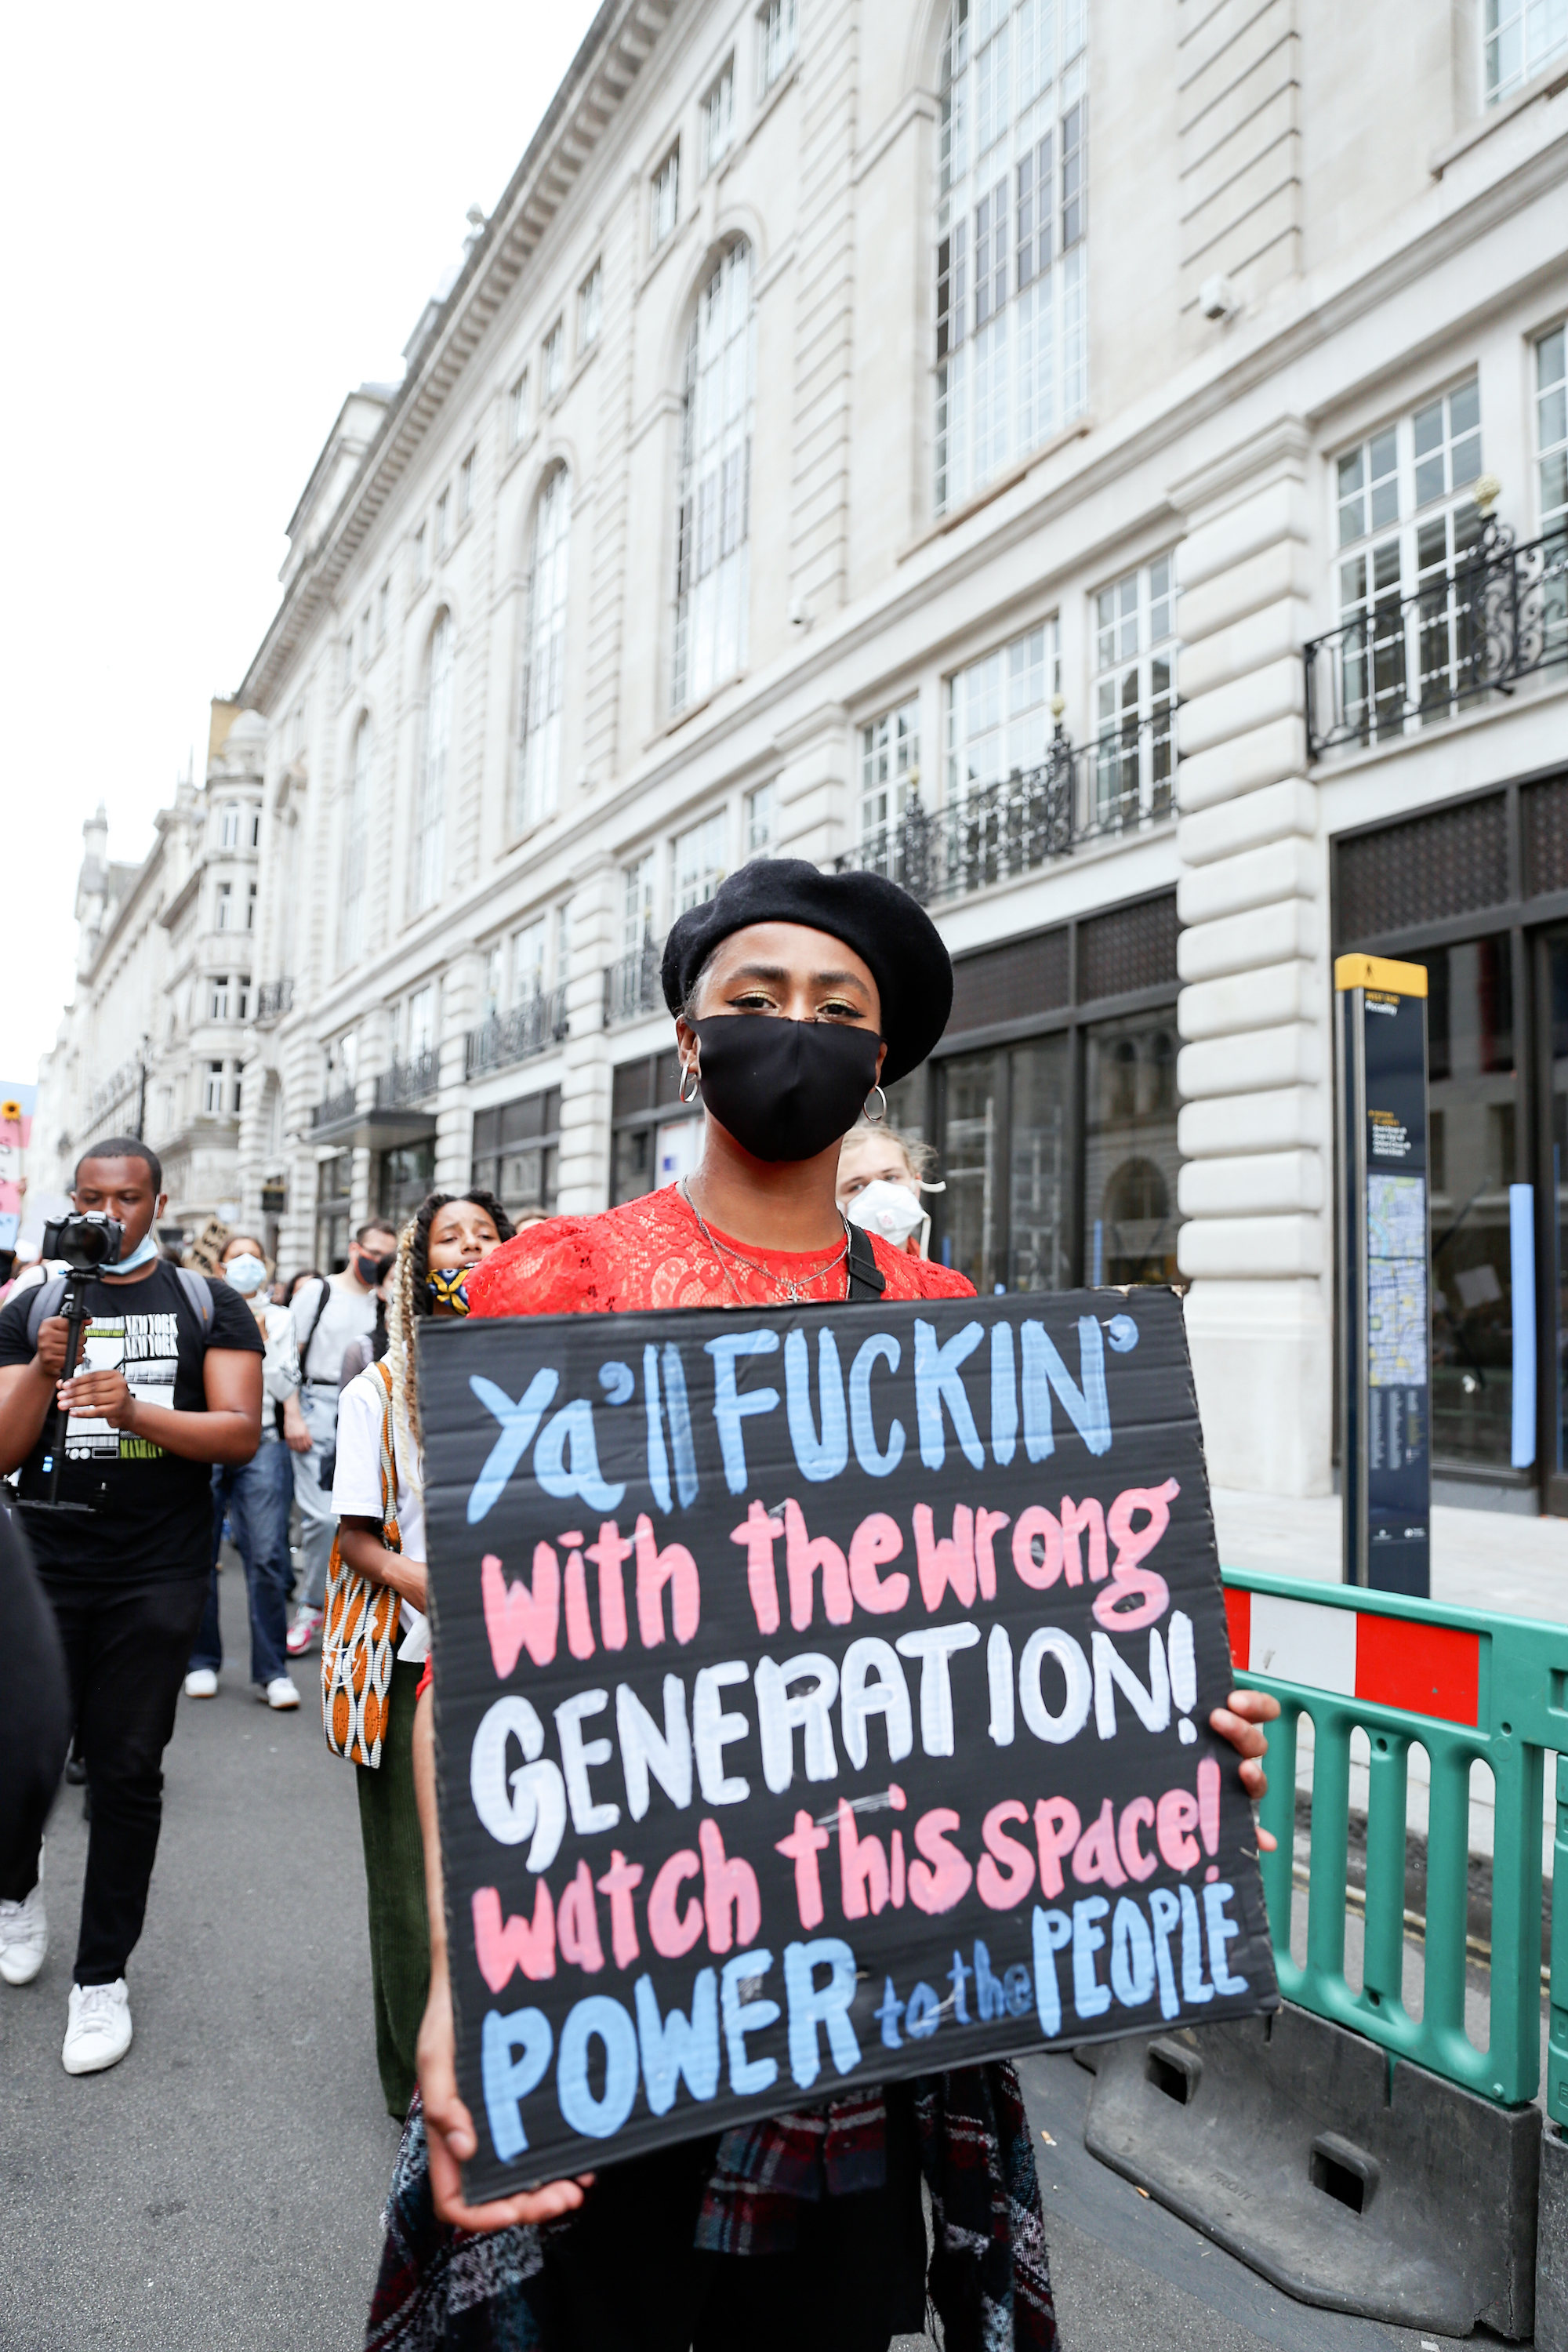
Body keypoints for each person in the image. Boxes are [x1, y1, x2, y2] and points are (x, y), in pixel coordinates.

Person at [366, 861, 1280, 2352]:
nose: (794, 1028)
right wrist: (467, 1984)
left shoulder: (947, 1321)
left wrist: (1161, 1736)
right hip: (619, 1987)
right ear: (688, 1038)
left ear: (879, 1060)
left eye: (836, 1008)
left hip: (868, 2010)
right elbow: (482, 1675)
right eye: (756, 999)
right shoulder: (561, 1283)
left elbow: (1010, 1645)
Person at [0, 1139, 263, 2073]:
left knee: (126, 1770)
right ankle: (15, 1888)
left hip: (155, 1569)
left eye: (128, 1199)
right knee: (19, 1760)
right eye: (92, 1198)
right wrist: (41, 1367)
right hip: (38, 1564)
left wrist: (136, 1413)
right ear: (69, 1202)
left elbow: (237, 1435)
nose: (108, 1214)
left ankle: (101, 1979)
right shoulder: (31, 1304)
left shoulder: (205, 1302)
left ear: (157, 1203)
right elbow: (1, 1451)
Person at [328, 1192, 514, 2119]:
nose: (472, 1251)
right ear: (415, 1265)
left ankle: (496, 2057)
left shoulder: (534, 1376)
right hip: (411, 1661)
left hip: (517, 1658)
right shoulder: (378, 1388)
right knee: (409, 1886)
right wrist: (427, 1582)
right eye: (452, 1239)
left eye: (488, 1238)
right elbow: (355, 1537)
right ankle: (411, 2080)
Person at [183, 1232, 303, 1710]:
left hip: (264, 1442)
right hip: (208, 1439)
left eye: (254, 1256)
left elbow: (280, 1382)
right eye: (237, 1257)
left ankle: (272, 1671)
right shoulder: (202, 1310)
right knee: (199, 1553)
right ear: (220, 1266)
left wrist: (263, 1344)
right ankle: (201, 1661)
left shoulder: (281, 1318)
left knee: (269, 1556)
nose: (247, 1264)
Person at [283, 1221, 397, 1657]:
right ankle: (312, 1608)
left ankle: (341, 1607)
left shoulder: (381, 1299)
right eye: (374, 1252)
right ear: (354, 1249)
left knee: (365, 1515)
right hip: (319, 1401)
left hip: (370, 1403)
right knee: (322, 1517)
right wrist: (293, 1412)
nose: (378, 1263)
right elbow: (287, 1354)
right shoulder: (319, 1292)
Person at [836, 1122, 941, 1258]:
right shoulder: (811, 1277)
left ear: (916, 1187)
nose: (878, 1194)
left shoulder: (941, 1278)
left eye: (890, 1178)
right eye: (856, 1187)